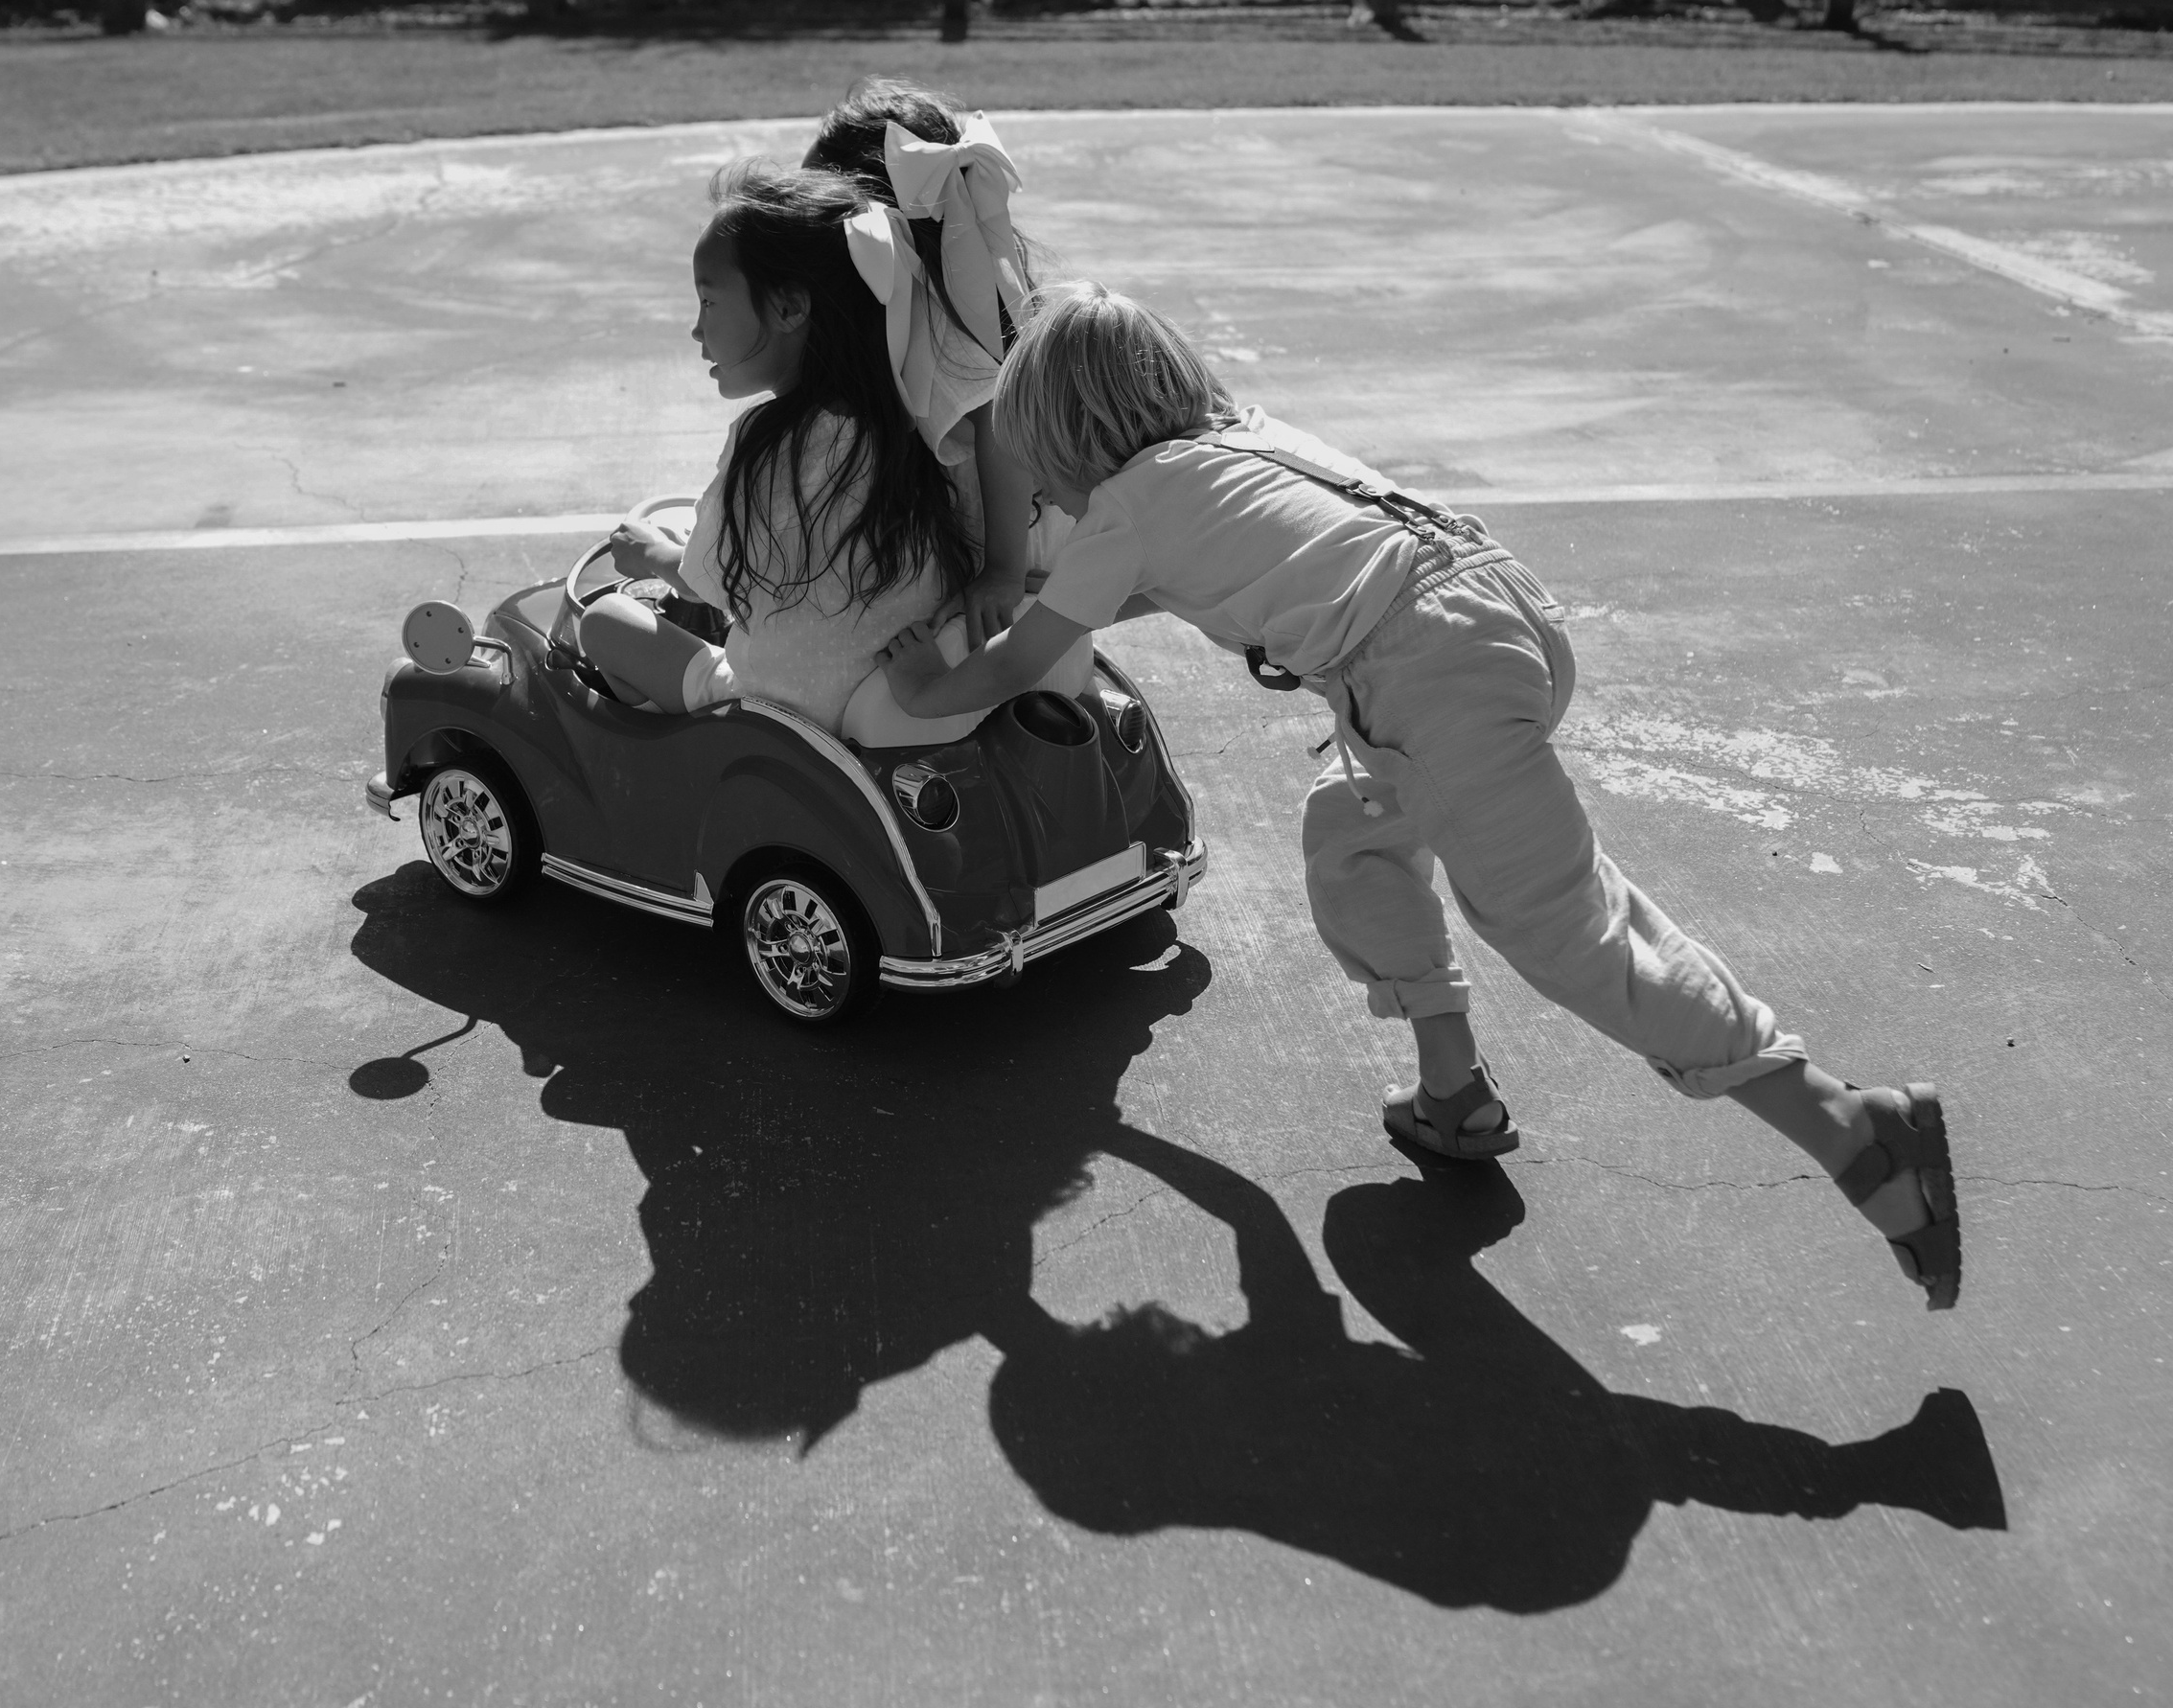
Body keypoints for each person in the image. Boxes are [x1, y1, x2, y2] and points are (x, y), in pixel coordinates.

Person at [877, 281, 1962, 1311]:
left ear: (1072, 440)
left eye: (1037, 476)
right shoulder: (1239, 441)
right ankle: (1454, 1093)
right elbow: (1180, 582)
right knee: (1351, 835)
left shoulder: (1122, 506)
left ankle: (1848, 1125)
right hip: (1489, 609)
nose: (1043, 501)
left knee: (1566, 930)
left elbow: (1026, 663)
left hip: (1423, 675)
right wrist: (1037, 597)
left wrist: (926, 683)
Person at [578, 163, 974, 734]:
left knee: (606, 622)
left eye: (709, 303)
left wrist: (648, 554)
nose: (696, 330)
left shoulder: (763, 446)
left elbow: (702, 581)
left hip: (774, 713)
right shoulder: (915, 428)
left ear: (790, 308)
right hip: (884, 696)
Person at [803, 78, 1059, 644]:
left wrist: (1002, 571)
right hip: (1025, 522)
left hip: (1009, 537)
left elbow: (1000, 422)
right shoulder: (977, 271)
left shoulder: (936, 313)